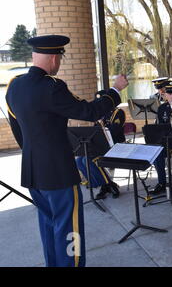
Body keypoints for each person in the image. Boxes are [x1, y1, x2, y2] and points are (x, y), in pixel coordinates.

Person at [5, 35, 128, 267]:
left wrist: (34, 154)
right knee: (70, 230)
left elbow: (17, 129)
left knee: (49, 224)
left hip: (32, 171)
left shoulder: (14, 85)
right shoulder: (53, 87)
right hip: (58, 173)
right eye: (60, 58)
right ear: (53, 58)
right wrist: (114, 90)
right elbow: (90, 112)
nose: (60, 63)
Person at [75, 91, 126, 200]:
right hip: (102, 146)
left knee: (89, 160)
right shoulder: (99, 115)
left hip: (116, 146)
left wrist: (101, 124)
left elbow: (113, 132)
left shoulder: (118, 112)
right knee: (79, 160)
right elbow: (94, 133)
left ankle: (107, 185)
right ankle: (104, 184)